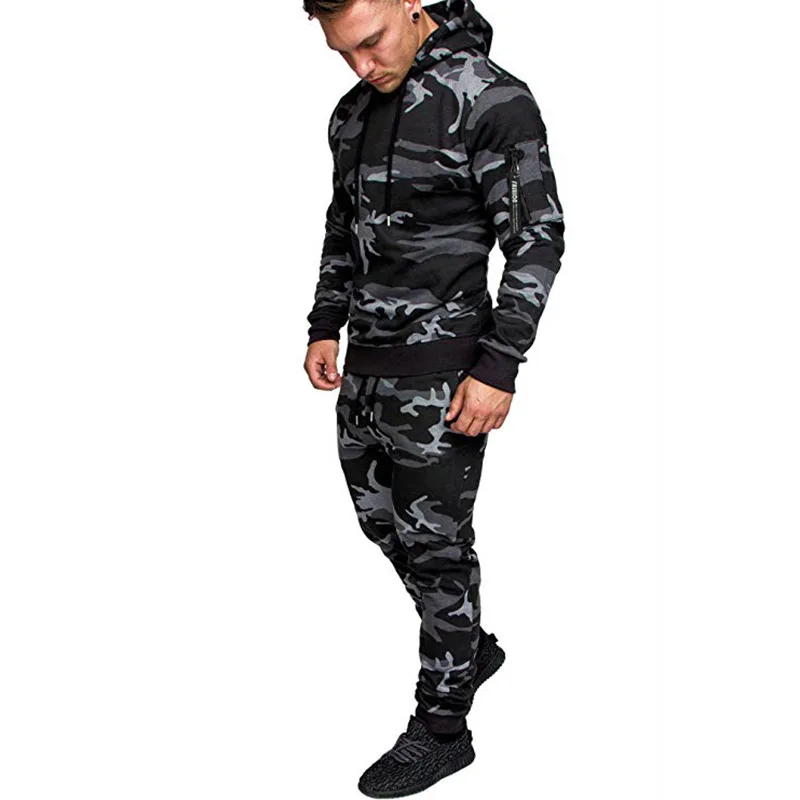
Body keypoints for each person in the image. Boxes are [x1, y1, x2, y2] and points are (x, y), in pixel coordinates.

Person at [302, 0, 565, 795]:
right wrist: (324, 323)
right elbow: (342, 227)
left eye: (370, 43)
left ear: (409, 3)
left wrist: (499, 366)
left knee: (441, 554)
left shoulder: (491, 97)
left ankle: (444, 728)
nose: (362, 66)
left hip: (446, 376)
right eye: (343, 54)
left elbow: (537, 236)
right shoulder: (351, 115)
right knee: (382, 526)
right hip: (367, 369)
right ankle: (467, 645)